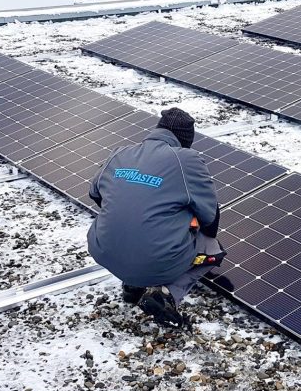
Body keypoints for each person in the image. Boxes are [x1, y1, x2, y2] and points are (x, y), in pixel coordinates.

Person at [87, 108, 224, 327]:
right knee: (213, 249)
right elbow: (208, 214)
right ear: (186, 138)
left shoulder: (120, 152)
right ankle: (166, 293)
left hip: (103, 250)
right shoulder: (186, 160)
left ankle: (132, 285)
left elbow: (95, 193)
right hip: (153, 259)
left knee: (134, 218)